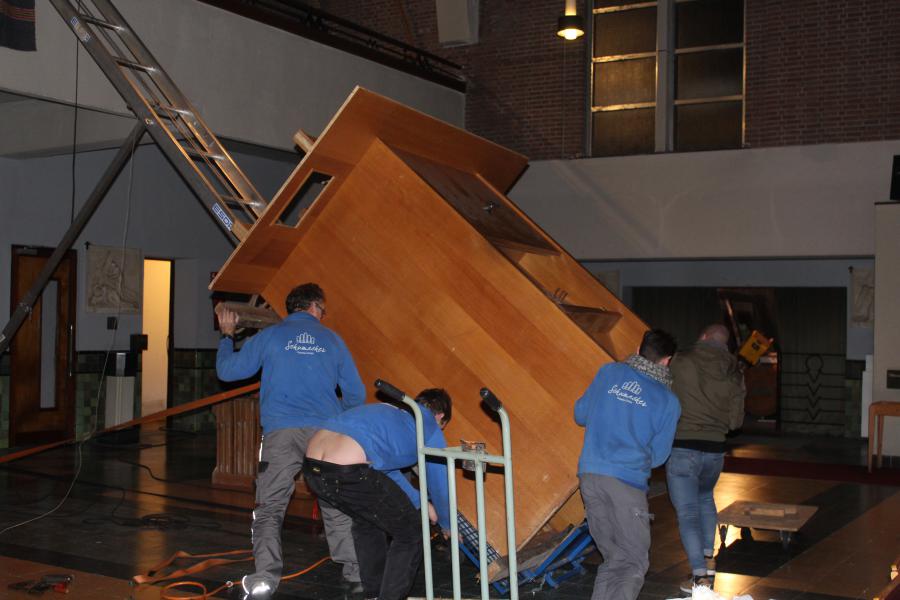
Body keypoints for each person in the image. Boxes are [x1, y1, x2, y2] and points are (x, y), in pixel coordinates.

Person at [216, 283, 366, 600]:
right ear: (314, 306)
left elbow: (228, 372)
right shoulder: (333, 340)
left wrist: (227, 336)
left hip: (280, 434)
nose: (323, 315)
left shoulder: (269, 337)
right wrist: (341, 425)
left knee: (269, 508)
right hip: (324, 437)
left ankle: (265, 581)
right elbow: (356, 393)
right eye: (322, 310)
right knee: (337, 505)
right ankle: (356, 577)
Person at [302, 388, 453, 600]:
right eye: (443, 425)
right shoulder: (428, 424)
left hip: (312, 470)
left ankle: (373, 594)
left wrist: (421, 503)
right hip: (349, 471)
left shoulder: (388, 412)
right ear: (440, 416)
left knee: (367, 521)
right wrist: (447, 524)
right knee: (410, 534)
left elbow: (384, 469)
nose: (441, 429)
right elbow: (439, 482)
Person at [575, 329, 681, 600]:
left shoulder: (609, 372)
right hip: (626, 485)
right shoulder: (669, 401)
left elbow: (580, 413)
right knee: (632, 562)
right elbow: (658, 456)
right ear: (667, 361)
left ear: (638, 348)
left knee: (613, 559)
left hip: (590, 477)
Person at [666, 324, 745, 593]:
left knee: (688, 512)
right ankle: (708, 563)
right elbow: (736, 422)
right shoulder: (734, 371)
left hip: (683, 447)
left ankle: (699, 578)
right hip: (715, 451)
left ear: (702, 337)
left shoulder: (680, 360)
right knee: (705, 499)